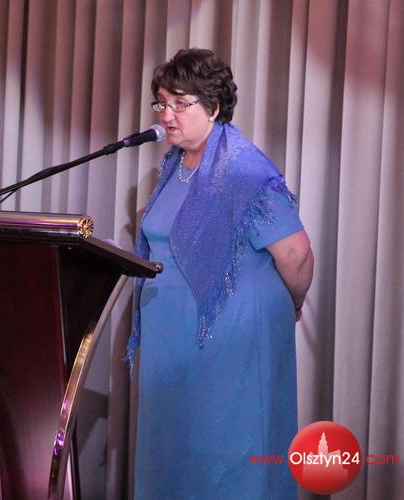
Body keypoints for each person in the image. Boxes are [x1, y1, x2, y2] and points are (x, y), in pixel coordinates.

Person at [127, 48, 314, 498]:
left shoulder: (244, 169)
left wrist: (294, 302)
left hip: (231, 339)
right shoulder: (174, 166)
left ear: (213, 107)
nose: (166, 115)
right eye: (162, 103)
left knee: (225, 450)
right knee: (176, 451)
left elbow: (296, 254)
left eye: (180, 104)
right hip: (170, 338)